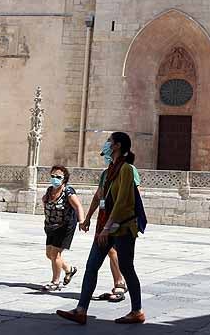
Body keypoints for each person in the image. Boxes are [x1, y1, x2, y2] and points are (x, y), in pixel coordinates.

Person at [56, 132, 147, 325]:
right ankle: (81, 310)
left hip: (122, 227)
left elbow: (122, 202)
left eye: (109, 141)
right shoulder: (108, 172)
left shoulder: (127, 170)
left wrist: (107, 228)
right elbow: (100, 196)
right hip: (105, 226)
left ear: (117, 146)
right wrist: (88, 217)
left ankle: (137, 311)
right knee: (91, 266)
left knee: (126, 267)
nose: (106, 144)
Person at [42, 165, 84, 291]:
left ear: (64, 179)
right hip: (51, 226)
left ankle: (55, 282)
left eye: (58, 177)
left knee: (55, 254)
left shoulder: (68, 192)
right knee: (49, 254)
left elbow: (78, 207)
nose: (55, 179)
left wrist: (82, 221)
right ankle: (69, 270)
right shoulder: (50, 191)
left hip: (65, 227)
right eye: (53, 176)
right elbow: (46, 202)